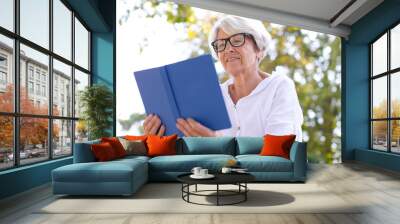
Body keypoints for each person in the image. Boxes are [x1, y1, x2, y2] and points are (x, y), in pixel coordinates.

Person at [143, 16, 303, 141]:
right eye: (221, 44)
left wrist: (216, 144)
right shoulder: (213, 95)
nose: (228, 49)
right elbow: (189, 149)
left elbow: (278, 152)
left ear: (259, 50)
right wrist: (159, 136)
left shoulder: (279, 87)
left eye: (237, 40)